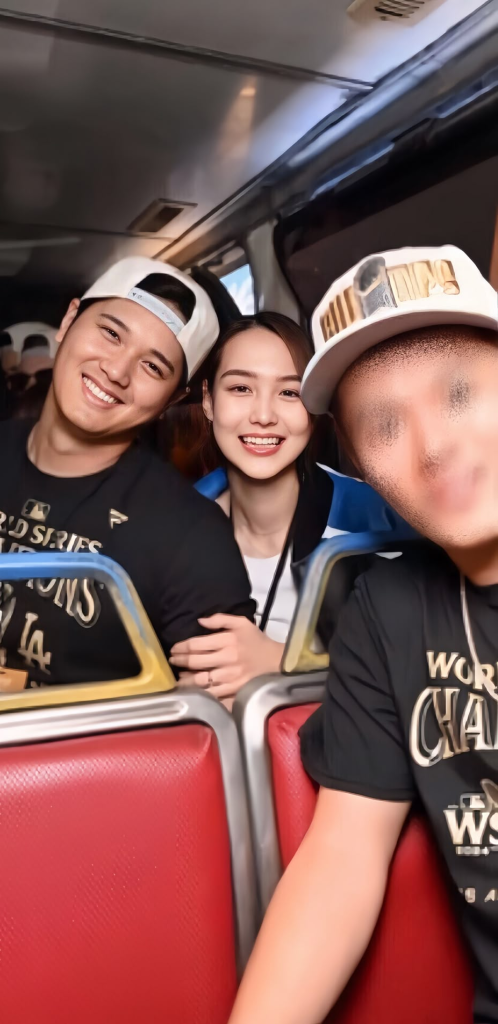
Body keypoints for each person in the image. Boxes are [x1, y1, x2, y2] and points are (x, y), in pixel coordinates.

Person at [228, 245, 498, 1024]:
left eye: (458, 393)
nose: (431, 446)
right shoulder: (387, 610)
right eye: (382, 425)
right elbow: (341, 860)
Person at [0, 257, 255, 700]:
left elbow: (214, 709)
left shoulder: (190, 535)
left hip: (86, 745)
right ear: (69, 320)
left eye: (153, 367)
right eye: (111, 333)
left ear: (173, 399)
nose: (116, 370)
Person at [169, 313, 334, 701]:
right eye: (241, 388)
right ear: (208, 400)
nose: (263, 416)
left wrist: (283, 661)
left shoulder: (376, 522)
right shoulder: (169, 527)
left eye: (289, 393)